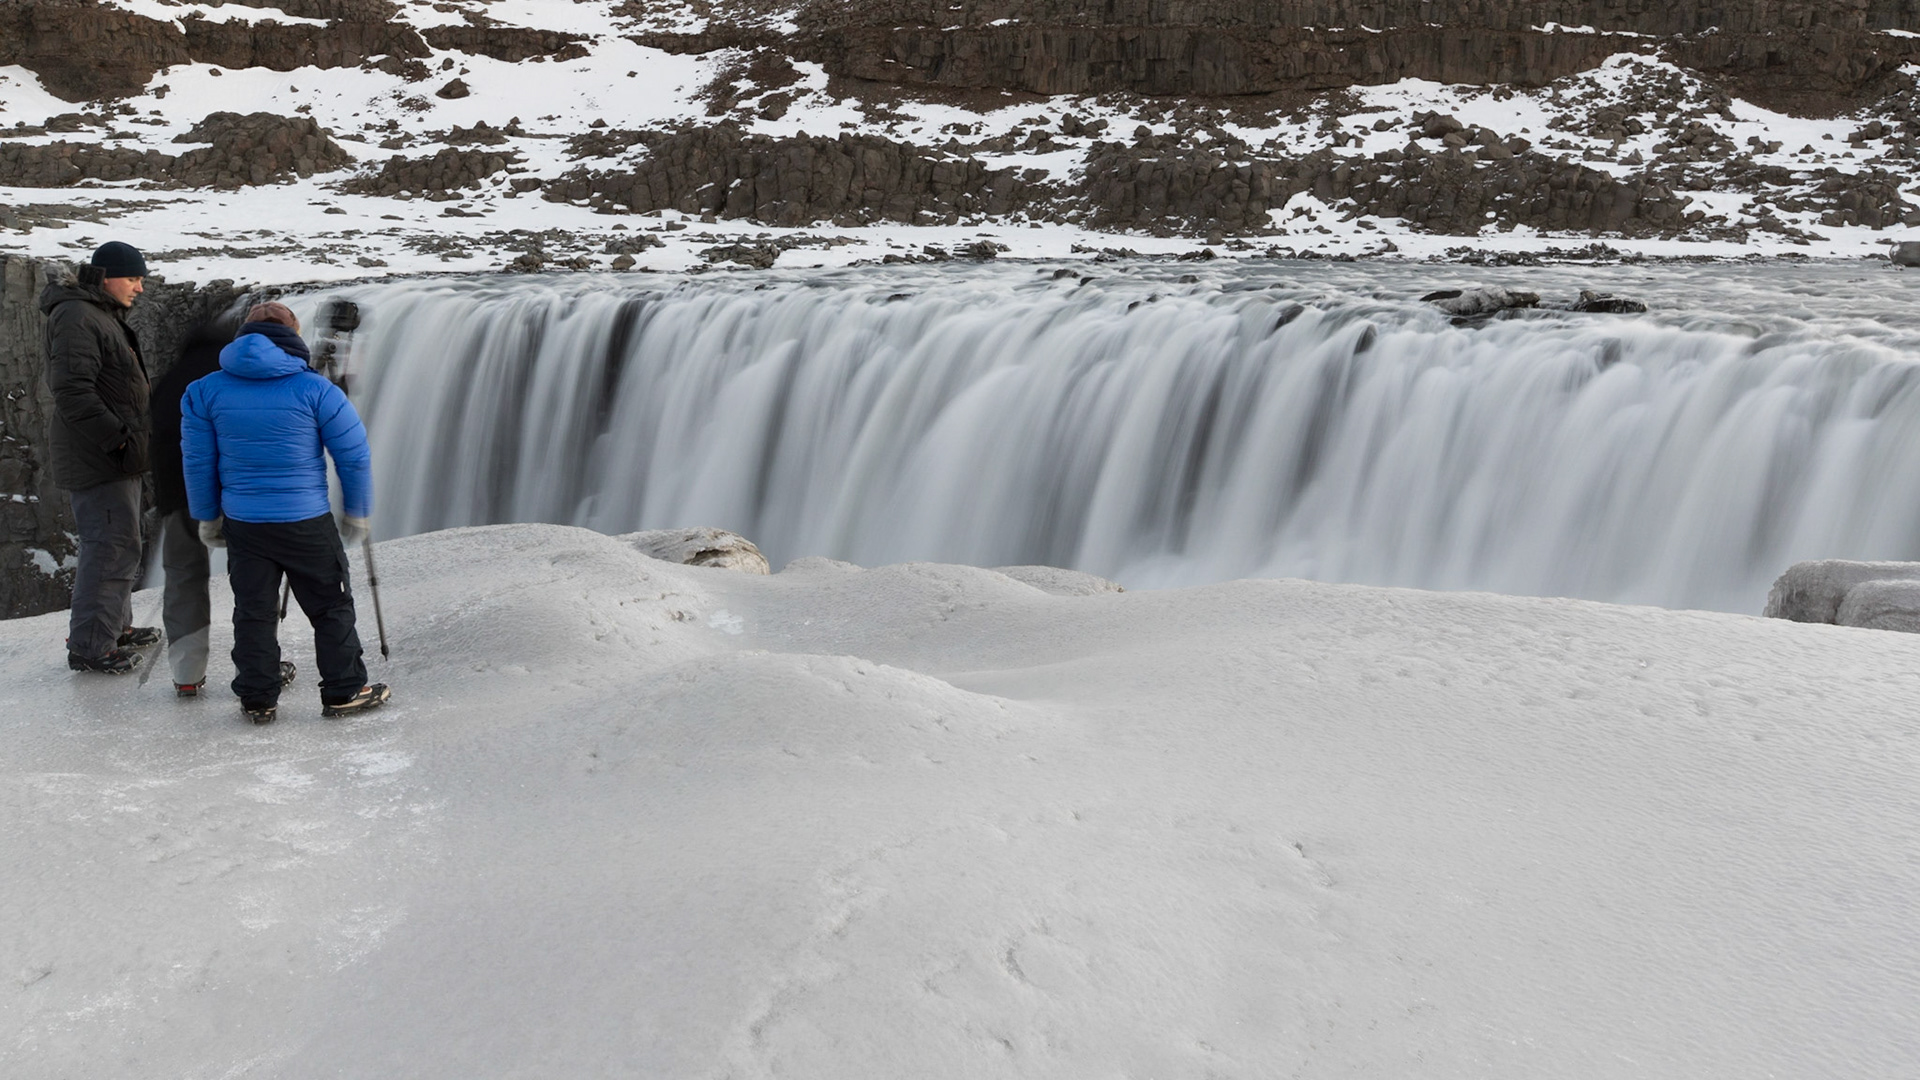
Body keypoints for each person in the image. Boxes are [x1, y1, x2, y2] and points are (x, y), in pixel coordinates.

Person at [181, 301, 390, 724]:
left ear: (242, 336)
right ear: (294, 336)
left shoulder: (203, 390)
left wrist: (207, 515)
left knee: (253, 610)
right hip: (305, 521)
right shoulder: (316, 390)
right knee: (331, 606)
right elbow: (353, 457)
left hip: (244, 522)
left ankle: (258, 697)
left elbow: (198, 461)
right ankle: (344, 689)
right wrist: (358, 510)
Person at [149, 320, 299, 698]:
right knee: (250, 578)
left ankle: (186, 673)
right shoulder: (233, 375)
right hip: (233, 492)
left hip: (177, 495)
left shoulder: (169, 380)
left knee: (183, 576)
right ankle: (255, 665)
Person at [41, 241, 161, 674]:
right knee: (108, 548)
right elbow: (72, 392)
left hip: (114, 455)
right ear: (107, 276)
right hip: (100, 456)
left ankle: (115, 629)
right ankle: (92, 646)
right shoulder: (77, 315)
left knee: (122, 543)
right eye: (133, 278)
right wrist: (119, 441)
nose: (140, 288)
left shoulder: (97, 313)